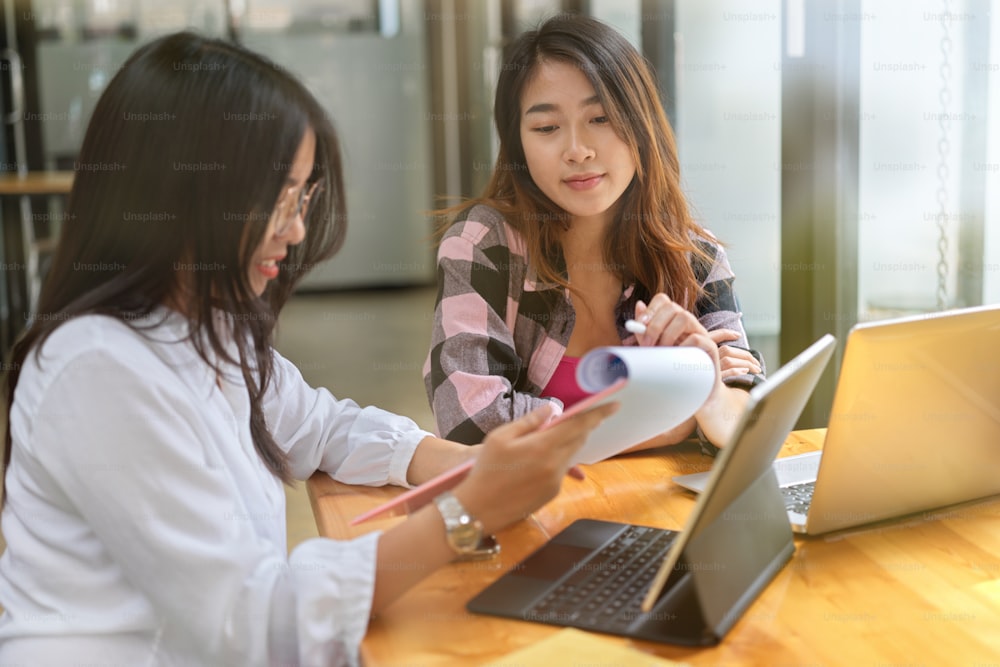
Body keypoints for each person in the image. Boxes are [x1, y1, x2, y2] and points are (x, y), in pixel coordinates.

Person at [0, 32, 616, 666]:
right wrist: (467, 511)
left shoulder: (206, 325)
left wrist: (456, 466)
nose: (295, 231)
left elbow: (318, 424)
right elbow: (255, 623)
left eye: (302, 199)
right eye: (278, 199)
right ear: (181, 192)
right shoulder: (98, 369)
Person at [424, 13, 765, 450]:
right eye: (546, 128)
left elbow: (748, 419)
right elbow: (470, 421)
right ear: (518, 145)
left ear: (641, 125)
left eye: (600, 119)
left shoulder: (697, 257)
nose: (578, 151)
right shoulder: (484, 245)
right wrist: (676, 419)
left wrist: (712, 393)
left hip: (661, 511)